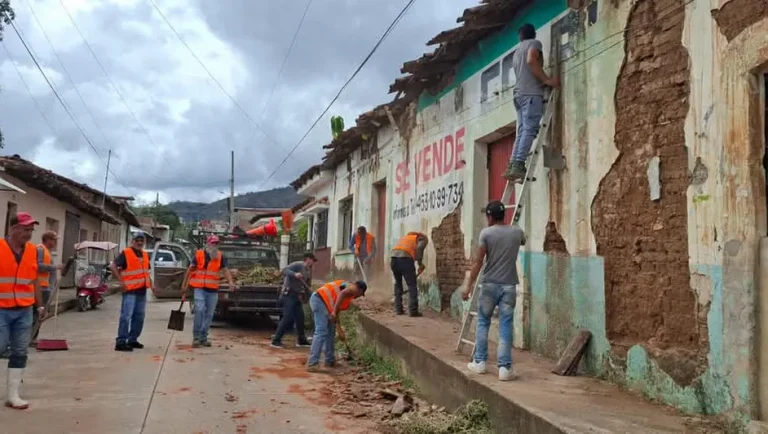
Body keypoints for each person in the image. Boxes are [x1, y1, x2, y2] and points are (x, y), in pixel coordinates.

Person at [462, 201, 526, 381]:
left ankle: (480, 362)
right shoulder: (516, 231)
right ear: (504, 215)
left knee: (483, 322)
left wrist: (468, 286)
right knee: (506, 325)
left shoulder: (486, 233)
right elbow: (523, 240)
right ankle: (505, 368)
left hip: (490, 284)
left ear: (490, 216)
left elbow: (478, 261)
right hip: (509, 286)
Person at [504, 23, 561, 183]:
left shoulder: (516, 52)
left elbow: (525, 69)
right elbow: (531, 60)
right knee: (529, 130)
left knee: (522, 131)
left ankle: (513, 164)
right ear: (534, 34)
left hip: (518, 95)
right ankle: (518, 164)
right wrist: (547, 80)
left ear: (520, 37)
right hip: (530, 95)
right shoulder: (534, 44)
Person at [0, 212, 46, 409]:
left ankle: (13, 395)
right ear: (13, 229)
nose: (29, 233)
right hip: (1, 308)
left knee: (20, 351)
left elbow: (34, 278)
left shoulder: (31, 251)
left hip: (25, 309)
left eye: (31, 230)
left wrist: (40, 304)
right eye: (25, 229)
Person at [182, 235, 237, 348]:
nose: (215, 246)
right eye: (213, 243)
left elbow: (225, 270)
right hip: (199, 288)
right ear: (207, 244)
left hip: (212, 290)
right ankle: (196, 337)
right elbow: (190, 270)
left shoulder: (220, 256)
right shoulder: (199, 255)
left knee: (209, 315)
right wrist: (184, 285)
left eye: (216, 244)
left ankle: (203, 337)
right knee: (200, 310)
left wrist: (230, 282)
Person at [306, 279, 367, 372]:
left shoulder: (348, 289)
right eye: (360, 294)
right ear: (360, 289)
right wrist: (334, 311)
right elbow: (342, 294)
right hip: (319, 301)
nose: (358, 297)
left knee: (331, 331)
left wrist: (339, 327)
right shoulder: (352, 289)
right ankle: (312, 364)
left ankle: (329, 360)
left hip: (324, 303)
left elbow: (337, 306)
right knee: (321, 331)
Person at [110, 233, 153, 352]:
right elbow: (113, 266)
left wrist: (152, 285)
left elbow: (146, 272)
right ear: (132, 241)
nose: (139, 243)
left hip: (141, 291)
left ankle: (132, 339)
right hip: (130, 291)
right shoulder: (126, 253)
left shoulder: (145, 254)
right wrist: (121, 282)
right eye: (137, 240)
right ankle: (121, 341)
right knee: (126, 316)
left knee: (139, 316)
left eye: (142, 241)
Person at [271, 253, 316, 349]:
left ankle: (301, 340)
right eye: (313, 260)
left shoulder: (308, 271)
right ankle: (276, 341)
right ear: (308, 259)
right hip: (288, 295)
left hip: (297, 297)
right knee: (287, 317)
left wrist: (310, 297)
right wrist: (294, 274)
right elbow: (284, 270)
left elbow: (307, 287)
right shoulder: (298, 265)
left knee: (300, 318)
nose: (313, 262)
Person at [30, 230, 62, 346]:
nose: (55, 243)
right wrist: (55, 267)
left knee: (39, 314)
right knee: (38, 313)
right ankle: (31, 338)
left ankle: (32, 337)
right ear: (47, 240)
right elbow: (38, 266)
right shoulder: (40, 249)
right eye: (54, 240)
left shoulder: (46, 251)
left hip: (44, 286)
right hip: (40, 287)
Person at [390, 232, 428, 317]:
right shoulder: (422, 239)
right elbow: (419, 249)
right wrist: (420, 264)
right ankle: (413, 310)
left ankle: (398, 309)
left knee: (398, 284)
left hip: (393, 260)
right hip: (405, 260)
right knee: (412, 285)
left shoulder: (406, 238)